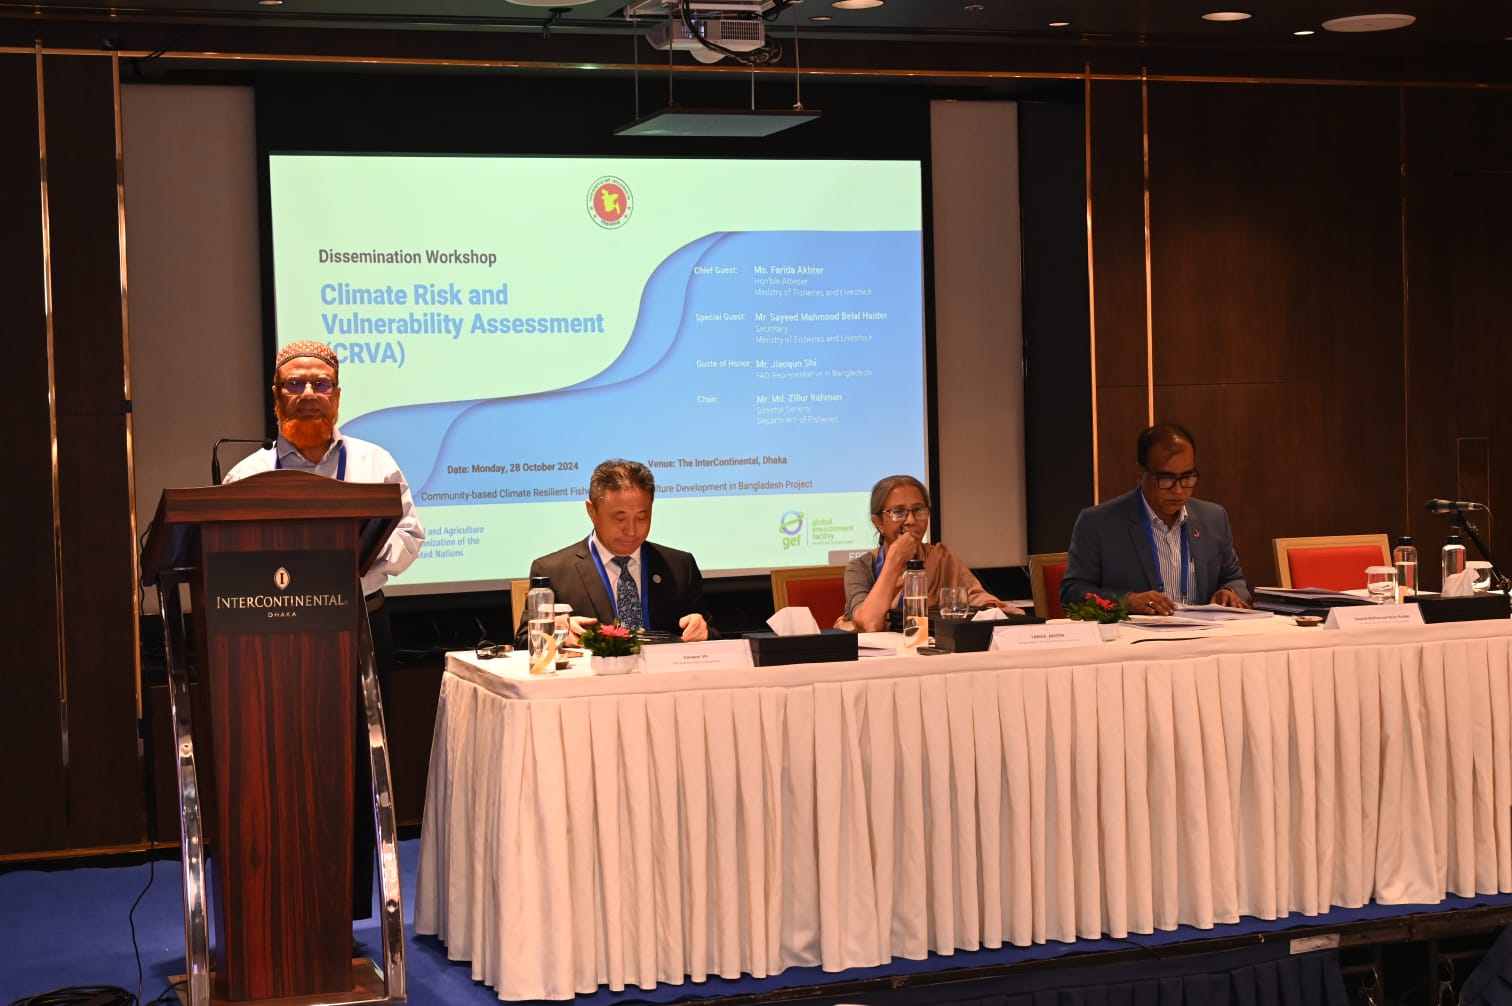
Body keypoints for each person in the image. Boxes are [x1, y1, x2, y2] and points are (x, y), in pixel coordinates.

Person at [223, 339, 425, 922]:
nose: (308, 394)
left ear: (337, 396)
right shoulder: (246, 475)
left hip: (359, 627)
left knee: (357, 767)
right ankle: (274, 898)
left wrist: (360, 559)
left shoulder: (373, 463)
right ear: (275, 397)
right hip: (268, 640)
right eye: (295, 384)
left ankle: (346, 906)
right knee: (276, 765)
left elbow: (409, 534)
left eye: (320, 384)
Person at [515, 459, 710, 647]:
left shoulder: (680, 566)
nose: (631, 530)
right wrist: (555, 632)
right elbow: (524, 642)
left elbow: (713, 634)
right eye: (620, 518)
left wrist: (703, 631)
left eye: (642, 518)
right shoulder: (554, 571)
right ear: (591, 510)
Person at [1060, 423, 1249, 615]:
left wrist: (1230, 591)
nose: (1178, 490)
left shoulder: (1213, 518)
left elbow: (1235, 580)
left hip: (1205, 631)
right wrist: (1127, 601)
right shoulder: (1098, 523)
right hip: (1135, 632)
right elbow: (1072, 593)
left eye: (1187, 477)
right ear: (1141, 474)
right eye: (1166, 478)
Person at [842, 474, 1021, 633]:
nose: (911, 520)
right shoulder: (860, 568)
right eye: (898, 512)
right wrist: (895, 560)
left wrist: (998, 611)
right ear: (878, 523)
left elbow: (975, 599)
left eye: (918, 510)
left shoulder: (941, 560)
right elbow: (869, 624)